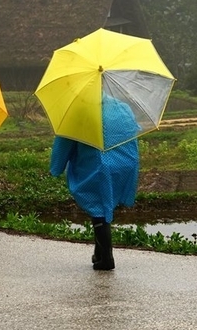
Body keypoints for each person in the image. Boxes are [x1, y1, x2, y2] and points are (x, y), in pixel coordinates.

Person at [49, 94, 140, 270]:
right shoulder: (122, 107)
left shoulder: (78, 112)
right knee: (104, 207)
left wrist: (56, 168)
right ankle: (99, 253)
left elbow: (64, 143)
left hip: (100, 165)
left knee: (98, 206)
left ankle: (106, 258)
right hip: (126, 163)